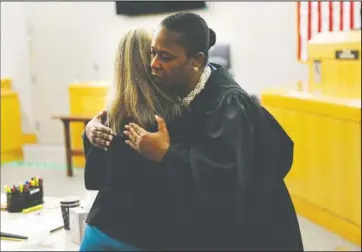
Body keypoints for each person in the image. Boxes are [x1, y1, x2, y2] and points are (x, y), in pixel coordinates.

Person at [84, 12, 304, 251]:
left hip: (253, 233)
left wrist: (166, 154)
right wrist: (93, 129)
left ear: (195, 61)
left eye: (165, 57)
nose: (154, 64)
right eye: (152, 53)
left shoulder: (229, 104)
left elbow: (229, 179)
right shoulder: (179, 89)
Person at [80, 27, 183, 251]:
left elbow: (93, 180)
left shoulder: (107, 119)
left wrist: (89, 133)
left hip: (99, 233)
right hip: (147, 237)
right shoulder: (173, 116)